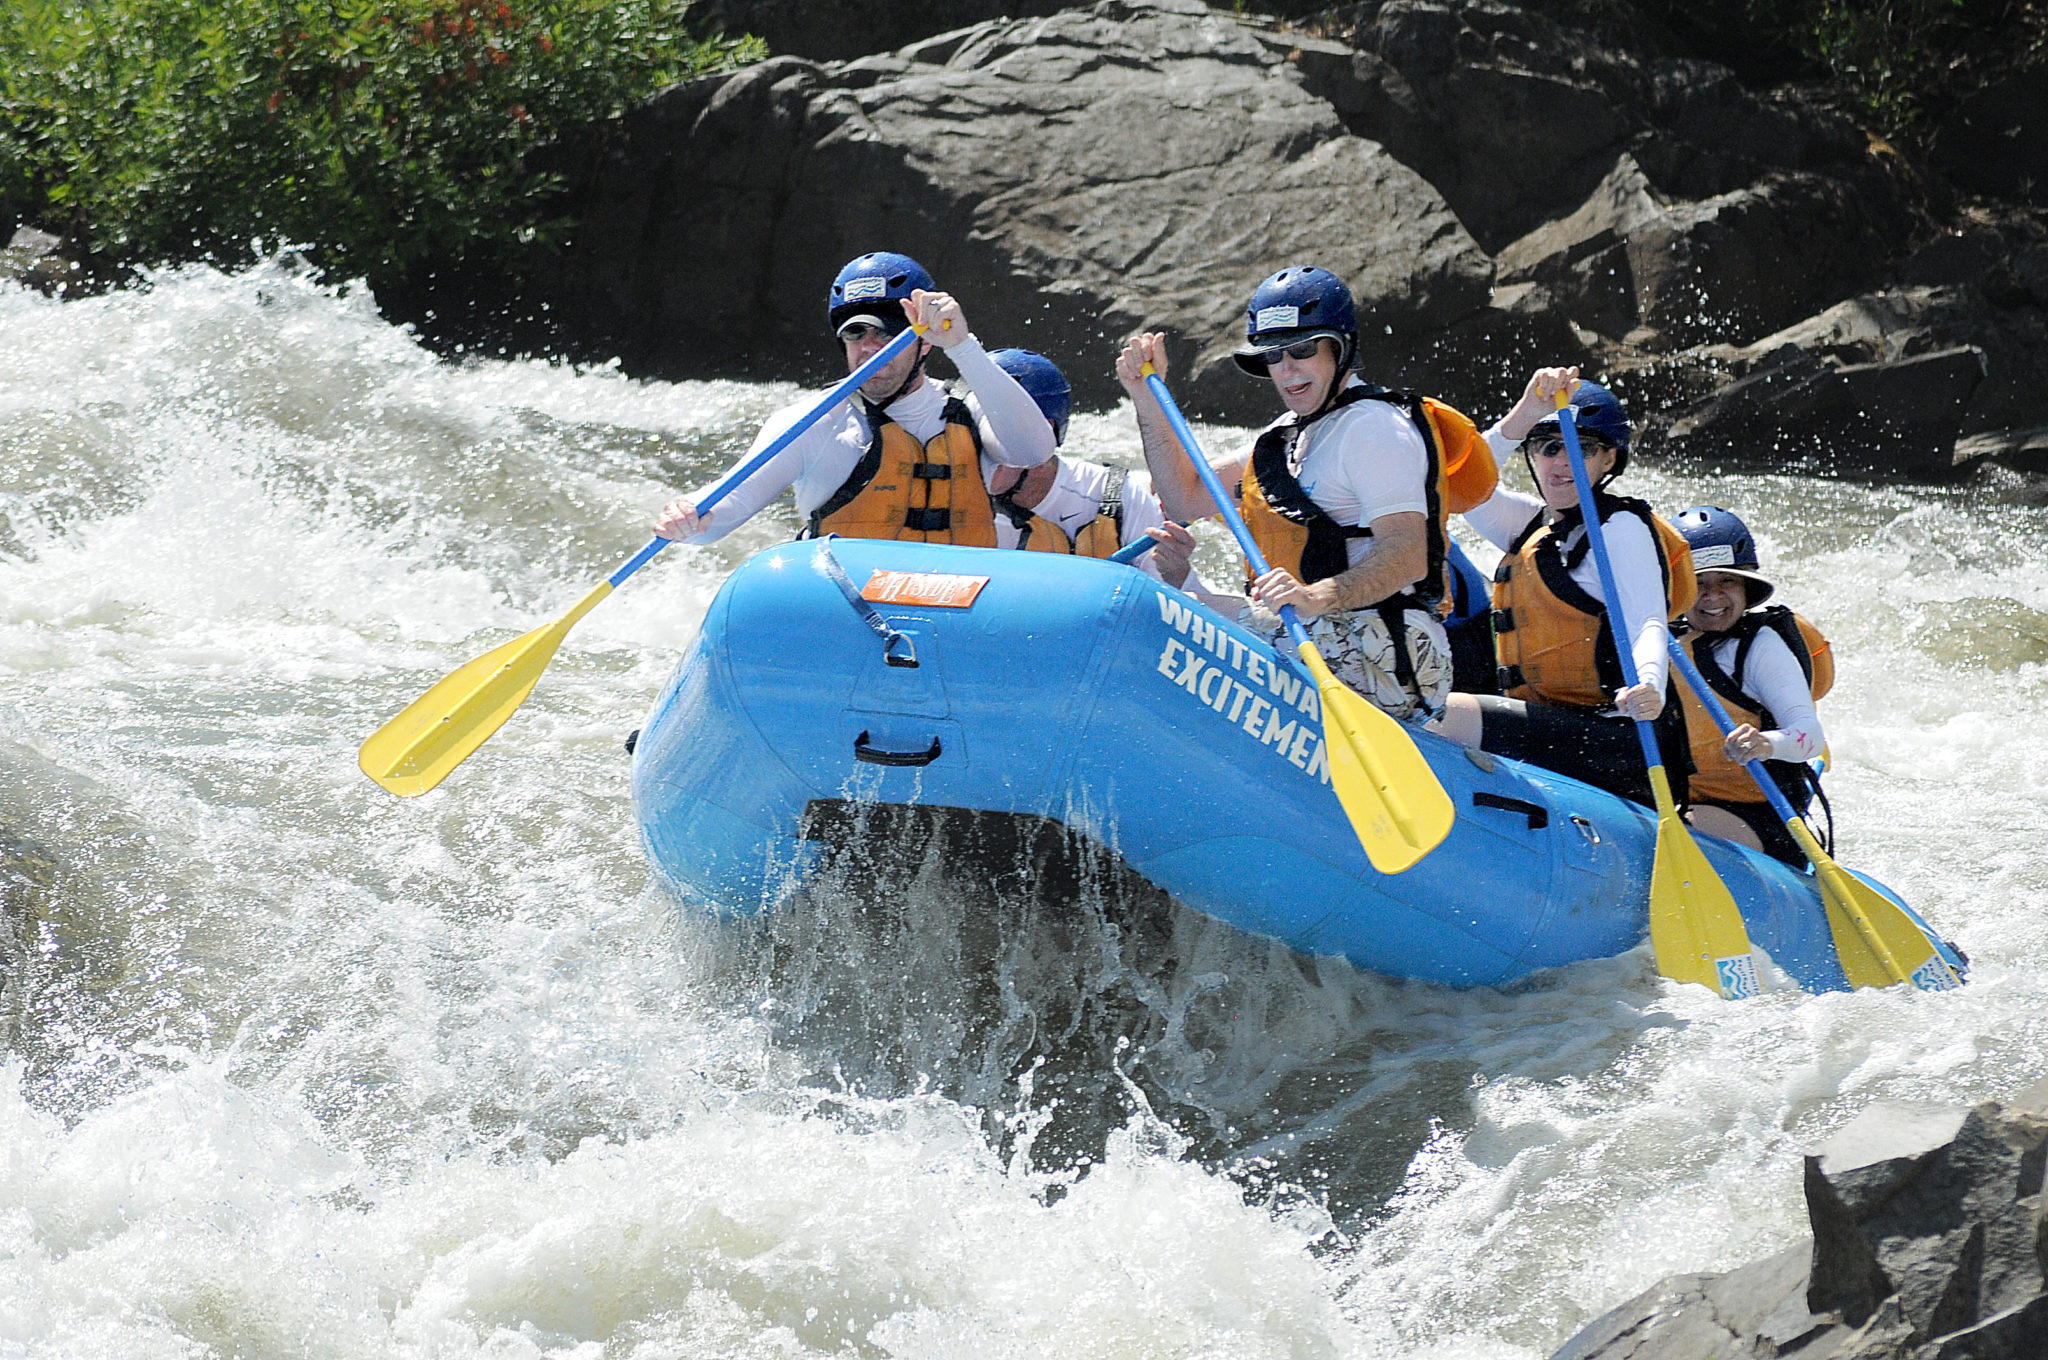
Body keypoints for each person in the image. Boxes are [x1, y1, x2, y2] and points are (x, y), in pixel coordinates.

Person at [1114, 266, 1495, 722]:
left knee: (1164, 620)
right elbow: (1184, 495)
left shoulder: (1374, 429)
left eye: (1302, 350)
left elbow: (1408, 555)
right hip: (1317, 632)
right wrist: (1144, 398)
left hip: (1389, 653)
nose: (1287, 369)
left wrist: (1319, 596)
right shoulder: (1286, 437)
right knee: (1158, 605)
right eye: (1273, 357)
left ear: (1341, 349)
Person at [653, 252, 1056, 546]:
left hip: (954, 613)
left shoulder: (970, 414)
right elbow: (730, 503)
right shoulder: (814, 422)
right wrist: (690, 516)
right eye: (855, 334)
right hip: (856, 617)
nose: (869, 348)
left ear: (924, 344)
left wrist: (962, 345)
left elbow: (1035, 451)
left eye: (886, 334)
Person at [1430, 369, 1698, 808]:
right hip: (1551, 722)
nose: (1562, 462)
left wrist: (1649, 684)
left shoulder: (1621, 527)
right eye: (1549, 448)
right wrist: (1527, 412)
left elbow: (1646, 620)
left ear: (1608, 461)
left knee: (1437, 715)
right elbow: (1461, 483)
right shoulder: (1530, 525)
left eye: (1582, 449)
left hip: (1617, 738)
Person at [1672, 505, 1834, 865]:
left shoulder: (1761, 648)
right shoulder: (1664, 645)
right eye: (1699, 583)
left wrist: (1764, 743)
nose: (1713, 597)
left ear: (1746, 587)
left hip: (1763, 817)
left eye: (1726, 581)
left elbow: (1810, 737)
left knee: (1670, 833)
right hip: (1688, 798)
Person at [982, 347, 1204, 588]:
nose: (980, 450)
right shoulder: (947, 495)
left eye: (996, 435)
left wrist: (1179, 575)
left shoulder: (1115, 497)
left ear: (1043, 433)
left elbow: (1191, 604)